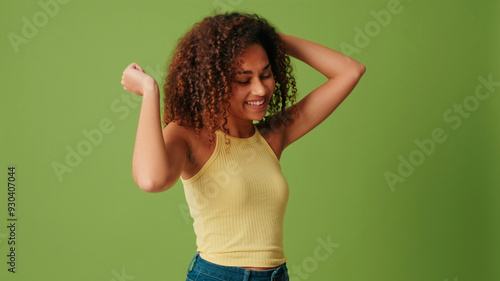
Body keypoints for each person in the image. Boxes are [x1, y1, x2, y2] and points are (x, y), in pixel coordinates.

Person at [121, 12, 365, 281]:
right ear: (213, 81)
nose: (260, 90)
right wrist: (149, 92)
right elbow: (151, 180)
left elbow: (350, 71)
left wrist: (266, 39)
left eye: (266, 74)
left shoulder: (272, 135)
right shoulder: (189, 135)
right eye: (244, 80)